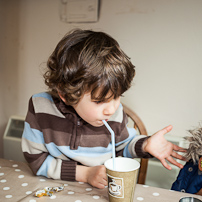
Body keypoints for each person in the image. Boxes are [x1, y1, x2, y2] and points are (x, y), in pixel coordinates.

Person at [22, 29, 186, 189]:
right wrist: (86, 174)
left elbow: (122, 147)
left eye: (117, 96)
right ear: (65, 94)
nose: (112, 109)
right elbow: (37, 161)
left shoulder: (114, 115)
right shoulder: (41, 108)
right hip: (53, 188)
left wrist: (145, 145)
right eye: (100, 101)